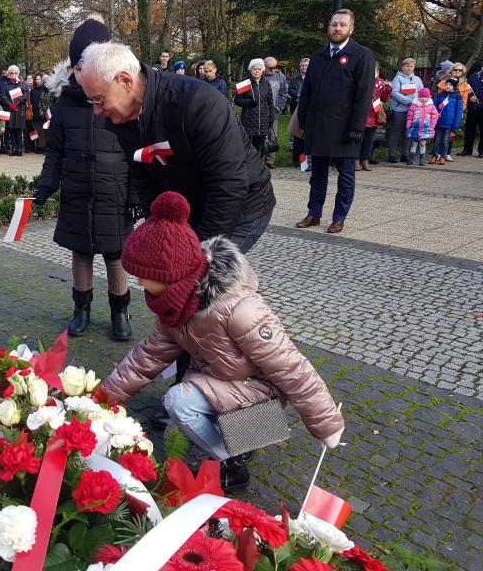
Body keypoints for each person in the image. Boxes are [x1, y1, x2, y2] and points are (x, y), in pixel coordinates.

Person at [99, 191, 345, 493]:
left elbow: (291, 367)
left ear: (168, 274)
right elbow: (146, 357)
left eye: (142, 275)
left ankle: (235, 457)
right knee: (179, 427)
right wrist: (102, 399)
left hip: (259, 390)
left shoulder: (240, 310)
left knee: (178, 401)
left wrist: (327, 423)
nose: (138, 283)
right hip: (220, 382)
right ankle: (235, 441)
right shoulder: (174, 305)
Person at [76, 41, 276, 253]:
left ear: (125, 81)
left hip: (244, 206)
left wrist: (198, 254)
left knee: (202, 279)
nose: (97, 112)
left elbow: (229, 183)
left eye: (99, 99)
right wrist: (160, 230)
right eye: (91, 102)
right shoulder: (120, 119)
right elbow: (143, 176)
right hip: (191, 205)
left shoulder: (198, 102)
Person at [34, 17, 133, 341]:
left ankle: (120, 312)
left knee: (116, 254)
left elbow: (138, 150)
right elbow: (56, 153)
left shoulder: (121, 98)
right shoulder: (63, 103)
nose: (81, 71)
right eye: (77, 64)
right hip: (77, 188)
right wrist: (45, 186)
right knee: (81, 251)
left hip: (114, 189)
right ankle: (82, 310)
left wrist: (135, 196)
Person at [295, 9, 374, 234]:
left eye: (342, 25)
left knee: (346, 176)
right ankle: (314, 213)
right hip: (318, 126)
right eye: (334, 24)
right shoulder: (318, 56)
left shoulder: (362, 55)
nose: (337, 28)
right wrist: (303, 121)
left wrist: (357, 127)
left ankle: (339, 217)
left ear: (351, 29)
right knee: (317, 174)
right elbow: (307, 91)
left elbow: (363, 94)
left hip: (345, 129)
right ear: (328, 27)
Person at [234, 58, 274, 154]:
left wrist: (271, 116)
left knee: (260, 147)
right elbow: (237, 100)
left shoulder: (266, 83)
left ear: (262, 70)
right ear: (250, 70)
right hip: (249, 120)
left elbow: (270, 101)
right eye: (254, 69)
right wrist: (249, 102)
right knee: (248, 147)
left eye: (259, 69)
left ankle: (258, 166)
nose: (257, 71)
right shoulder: (245, 83)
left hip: (263, 121)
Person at [388, 58, 423, 163]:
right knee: (396, 132)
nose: (409, 68)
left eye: (411, 66)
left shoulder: (417, 79)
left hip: (413, 110)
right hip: (400, 109)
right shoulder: (397, 79)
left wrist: (422, 101)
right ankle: (392, 155)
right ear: (403, 67)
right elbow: (394, 93)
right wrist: (408, 101)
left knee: (408, 132)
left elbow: (422, 92)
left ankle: (404, 154)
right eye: (407, 66)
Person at [358, 63, 392, 171]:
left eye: (375, 70)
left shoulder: (381, 83)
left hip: (374, 115)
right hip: (361, 114)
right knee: (359, 140)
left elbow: (385, 99)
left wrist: (388, 89)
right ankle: (356, 160)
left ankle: (365, 160)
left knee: (369, 140)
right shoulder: (361, 80)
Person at [435, 63, 470, 161]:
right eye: (455, 70)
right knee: (440, 133)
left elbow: (464, 98)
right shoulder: (444, 82)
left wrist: (461, 111)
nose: (458, 72)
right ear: (451, 71)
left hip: (455, 111)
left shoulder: (464, 84)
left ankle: (447, 152)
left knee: (451, 133)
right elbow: (438, 96)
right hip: (443, 111)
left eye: (460, 70)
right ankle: (437, 152)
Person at [430, 77, 463, 165]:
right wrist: (437, 113)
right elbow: (433, 107)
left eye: (450, 85)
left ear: (454, 86)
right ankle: (434, 156)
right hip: (439, 122)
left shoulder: (458, 96)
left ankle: (443, 156)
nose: (448, 86)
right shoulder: (440, 95)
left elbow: (458, 112)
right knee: (436, 140)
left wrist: (455, 127)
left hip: (449, 124)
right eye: (446, 84)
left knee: (445, 141)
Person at [262, 57, 287, 169]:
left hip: (274, 111)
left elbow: (283, 93)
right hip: (259, 113)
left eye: (275, 67)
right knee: (260, 136)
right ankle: (258, 160)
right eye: (270, 68)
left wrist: (278, 107)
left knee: (272, 136)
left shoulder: (280, 76)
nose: (273, 70)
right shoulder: (258, 74)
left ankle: (270, 161)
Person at [405, 88, 438, 166]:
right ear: (418, 97)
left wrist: (432, 127)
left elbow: (434, 117)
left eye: (425, 97)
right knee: (413, 144)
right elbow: (409, 117)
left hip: (425, 129)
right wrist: (408, 126)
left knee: (423, 144)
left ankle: (421, 160)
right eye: (421, 97)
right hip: (415, 129)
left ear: (428, 97)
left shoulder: (431, 106)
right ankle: (411, 159)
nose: (423, 98)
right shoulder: (413, 106)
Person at [1, 65, 27, 156]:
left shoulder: (22, 84)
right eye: (11, 73)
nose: (13, 74)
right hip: (10, 110)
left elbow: (25, 95)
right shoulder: (5, 84)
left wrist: (17, 103)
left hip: (19, 109)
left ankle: (19, 149)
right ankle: (14, 148)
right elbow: (3, 96)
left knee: (18, 130)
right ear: (8, 74)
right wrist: (10, 104)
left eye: (15, 73)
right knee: (11, 129)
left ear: (18, 73)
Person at [459, 62, 482, 157]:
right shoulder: (474, 76)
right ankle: (467, 149)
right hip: (472, 107)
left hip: (481, 107)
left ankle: (481, 151)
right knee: (469, 130)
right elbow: (468, 88)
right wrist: (470, 97)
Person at [289, 58, 309, 164]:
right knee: (297, 135)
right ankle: (297, 160)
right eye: (302, 65)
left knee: (306, 137)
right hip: (296, 109)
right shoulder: (295, 78)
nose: (304, 67)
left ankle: (305, 162)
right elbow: (290, 90)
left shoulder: (313, 77)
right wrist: (298, 95)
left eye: (306, 65)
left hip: (309, 111)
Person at [29, 73, 48, 152]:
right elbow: (32, 102)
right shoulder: (33, 90)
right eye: (36, 79)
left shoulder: (45, 90)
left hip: (43, 112)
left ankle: (45, 147)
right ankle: (40, 146)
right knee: (38, 130)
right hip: (35, 112)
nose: (37, 81)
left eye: (39, 79)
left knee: (44, 131)